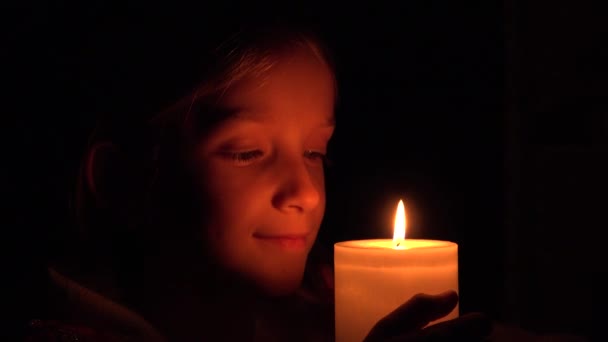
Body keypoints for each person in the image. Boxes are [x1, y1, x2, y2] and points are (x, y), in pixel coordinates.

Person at [18, 10, 496, 342]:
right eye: (247, 153)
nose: (305, 194)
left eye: (314, 152)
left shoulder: (304, 324)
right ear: (122, 181)